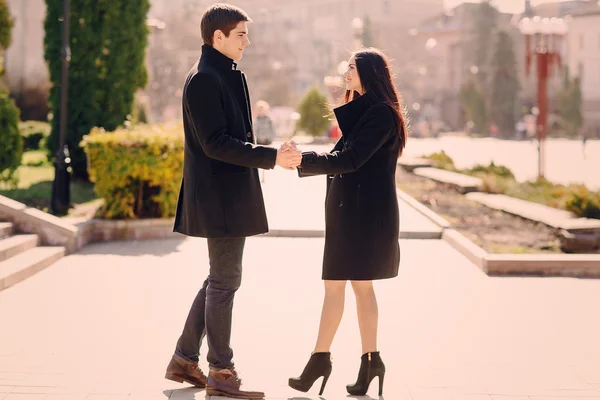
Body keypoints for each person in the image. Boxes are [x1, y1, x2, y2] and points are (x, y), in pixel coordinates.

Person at [165, 4, 301, 399]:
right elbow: (215, 144)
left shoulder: (226, 74)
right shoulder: (204, 79)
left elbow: (236, 137)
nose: (247, 41)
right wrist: (270, 157)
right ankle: (220, 372)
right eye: (240, 34)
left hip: (228, 194)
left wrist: (272, 152)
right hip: (218, 197)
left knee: (219, 279)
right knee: (225, 281)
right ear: (217, 37)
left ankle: (184, 360)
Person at [288, 48, 408, 397]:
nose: (346, 74)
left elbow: (351, 159)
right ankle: (356, 361)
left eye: (352, 69)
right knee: (346, 285)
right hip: (352, 214)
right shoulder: (367, 112)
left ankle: (329, 360)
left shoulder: (382, 115)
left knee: (352, 285)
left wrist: (303, 160)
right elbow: (347, 154)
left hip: (366, 217)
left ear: (370, 73)